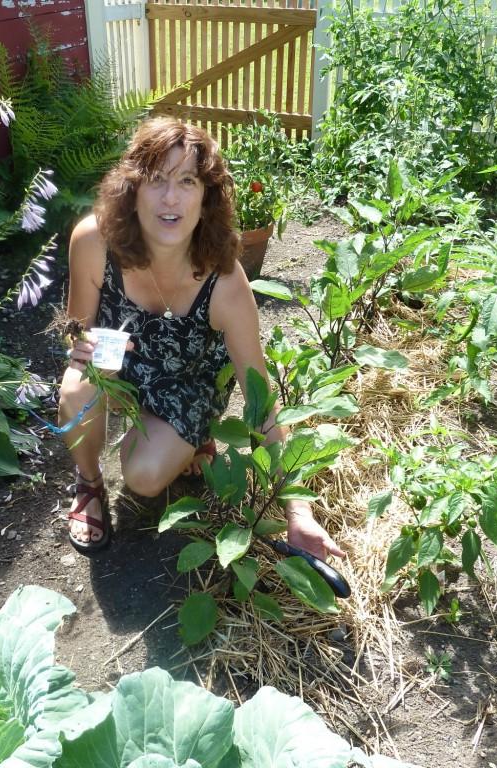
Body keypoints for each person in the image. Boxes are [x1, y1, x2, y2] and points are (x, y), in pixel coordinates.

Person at [58, 117, 345, 563]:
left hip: (186, 387)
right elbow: (76, 334)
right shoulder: (94, 241)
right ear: (131, 189)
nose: (170, 199)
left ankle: (190, 439)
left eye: (187, 181)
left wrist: (298, 511)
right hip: (118, 372)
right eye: (156, 180)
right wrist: (90, 357)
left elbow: (260, 399)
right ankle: (89, 482)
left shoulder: (225, 282)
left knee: (145, 478)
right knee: (76, 394)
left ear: (206, 197)